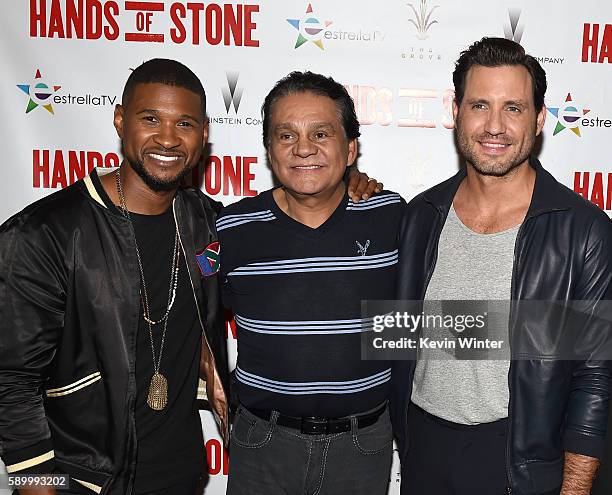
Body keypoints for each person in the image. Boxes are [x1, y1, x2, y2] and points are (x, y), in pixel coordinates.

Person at [0, 59, 380, 495]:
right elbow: (10, 381)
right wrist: (37, 488)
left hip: (182, 475)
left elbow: (224, 289)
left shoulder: (206, 225)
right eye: (150, 119)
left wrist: (352, 182)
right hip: (81, 481)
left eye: (184, 123)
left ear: (203, 136)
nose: (167, 138)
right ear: (121, 122)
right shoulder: (43, 234)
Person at [392, 37, 612, 495]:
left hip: (521, 462)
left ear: (538, 119)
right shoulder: (420, 216)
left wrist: (574, 489)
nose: (494, 126)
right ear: (456, 112)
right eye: (479, 105)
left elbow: (596, 374)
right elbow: (397, 332)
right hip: (423, 450)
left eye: (513, 107)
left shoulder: (582, 230)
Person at [219, 71, 405, 495]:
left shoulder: (392, 217)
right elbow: (186, 310)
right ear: (269, 151)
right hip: (262, 445)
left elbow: (417, 323)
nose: (303, 148)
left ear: (351, 148)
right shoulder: (231, 230)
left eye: (321, 133)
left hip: (362, 446)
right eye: (286, 136)